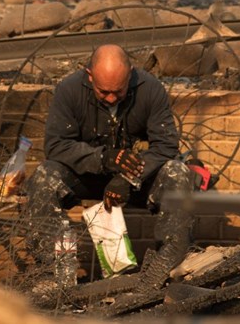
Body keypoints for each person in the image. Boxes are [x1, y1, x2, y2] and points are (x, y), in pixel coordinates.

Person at [24, 44, 194, 284]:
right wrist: (103, 159)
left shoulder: (151, 88)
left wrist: (127, 177)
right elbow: (57, 146)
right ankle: (54, 277)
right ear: (89, 75)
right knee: (44, 176)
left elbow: (165, 147)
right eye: (104, 92)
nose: (112, 98)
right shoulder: (69, 90)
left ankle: (168, 272)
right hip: (86, 175)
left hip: (136, 179)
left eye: (119, 91)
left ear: (130, 74)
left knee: (178, 173)